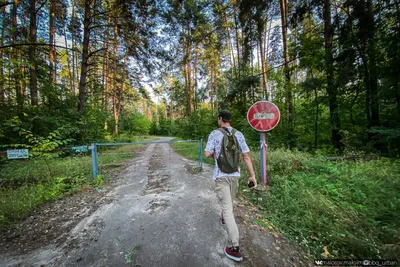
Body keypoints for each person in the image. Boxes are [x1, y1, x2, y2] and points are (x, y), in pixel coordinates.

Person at [204, 110, 257, 262]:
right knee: (229, 204)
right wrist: (252, 176)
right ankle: (223, 217)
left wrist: (215, 154)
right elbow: (246, 156)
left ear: (220, 119)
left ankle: (235, 248)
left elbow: (207, 154)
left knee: (228, 210)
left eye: (218, 118)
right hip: (235, 175)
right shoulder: (238, 134)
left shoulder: (215, 133)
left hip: (221, 176)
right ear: (230, 119)